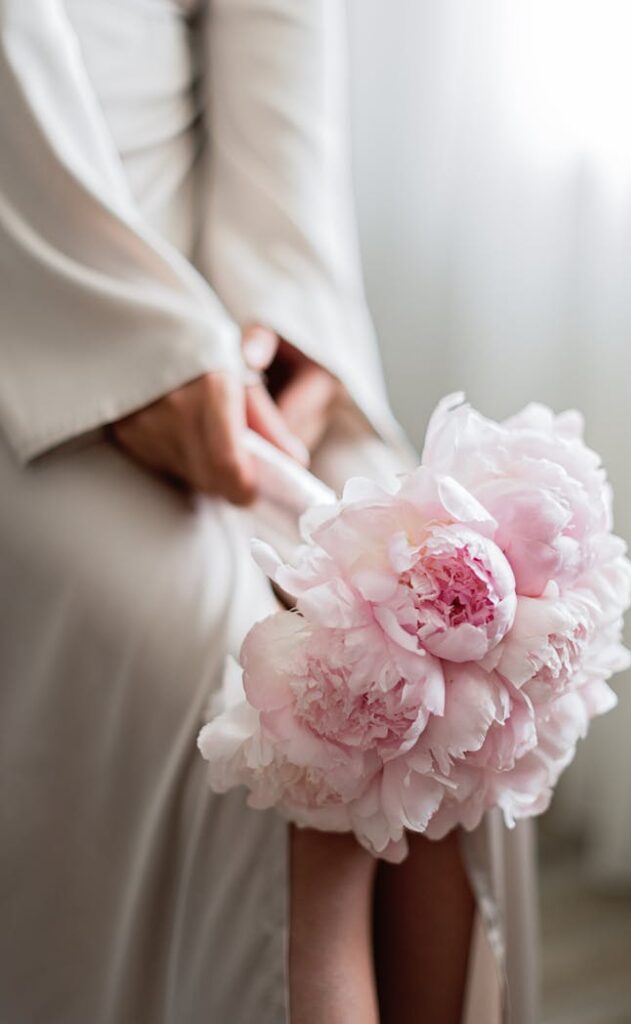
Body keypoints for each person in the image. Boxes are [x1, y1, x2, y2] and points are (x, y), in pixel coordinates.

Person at [0, 2, 538, 1021]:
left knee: (453, 632)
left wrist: (284, 318)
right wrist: (129, 347)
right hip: (30, 298)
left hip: (219, 278)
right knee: (284, 710)